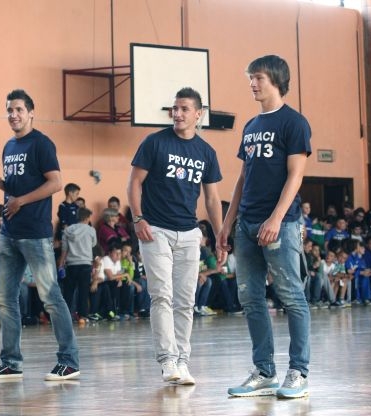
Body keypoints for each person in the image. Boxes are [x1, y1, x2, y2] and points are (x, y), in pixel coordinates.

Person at [218, 55, 311, 399]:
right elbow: (243, 177)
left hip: (280, 225)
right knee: (250, 297)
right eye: (250, 78)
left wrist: (276, 218)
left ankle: (298, 371)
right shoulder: (251, 126)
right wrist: (227, 223)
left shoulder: (294, 122)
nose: (252, 83)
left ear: (276, 79)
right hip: (246, 223)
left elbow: (296, 175)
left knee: (291, 296)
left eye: (257, 77)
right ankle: (264, 371)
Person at [127, 86, 224, 386]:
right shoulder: (154, 142)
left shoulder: (206, 152)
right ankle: (167, 359)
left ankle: (183, 360)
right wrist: (138, 218)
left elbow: (212, 199)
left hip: (190, 233)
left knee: (185, 300)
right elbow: (134, 183)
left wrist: (220, 235)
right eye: (175, 108)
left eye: (184, 109)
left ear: (198, 114)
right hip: (155, 230)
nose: (177, 114)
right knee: (162, 295)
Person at [0, 89, 79, 381]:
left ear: (31, 113)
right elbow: (18, 187)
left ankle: (69, 361)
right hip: (9, 233)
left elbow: (56, 183)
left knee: (51, 296)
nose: (13, 115)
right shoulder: (9, 146)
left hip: (35, 234)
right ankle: (11, 362)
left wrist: (21, 201)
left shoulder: (41, 144)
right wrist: (1, 184)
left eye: (19, 110)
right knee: (5, 298)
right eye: (9, 110)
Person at [58, 207, 96, 324]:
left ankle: (65, 315)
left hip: (71, 264)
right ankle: (82, 316)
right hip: (85, 264)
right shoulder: (91, 230)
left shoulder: (68, 230)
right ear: (87, 218)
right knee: (83, 291)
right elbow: (93, 244)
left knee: (68, 291)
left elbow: (64, 249)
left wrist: (61, 265)